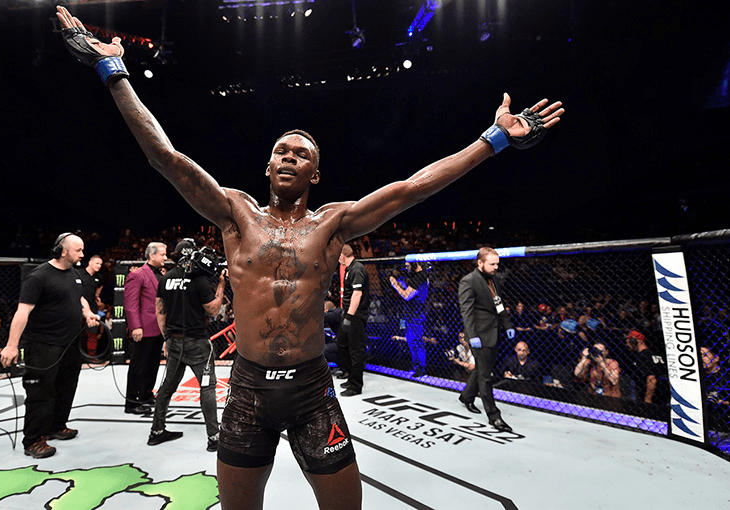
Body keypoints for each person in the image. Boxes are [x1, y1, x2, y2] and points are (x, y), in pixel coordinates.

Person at [55, 6, 563, 507]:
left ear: (314, 175)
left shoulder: (333, 224)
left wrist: (492, 140)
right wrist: (113, 70)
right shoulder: (235, 214)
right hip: (249, 387)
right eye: (281, 150)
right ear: (267, 164)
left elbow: (411, 190)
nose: (289, 157)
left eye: (301, 154)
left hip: (311, 388)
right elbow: (165, 158)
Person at [0, 232, 100, 459]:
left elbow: (80, 298)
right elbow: (23, 311)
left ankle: (56, 426)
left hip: (70, 344)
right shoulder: (39, 276)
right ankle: (34, 440)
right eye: (78, 250)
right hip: (44, 345)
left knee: (66, 386)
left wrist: (88, 313)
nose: (82, 254)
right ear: (63, 251)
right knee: (41, 392)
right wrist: (11, 345)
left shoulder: (74, 274)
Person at [148, 238, 228, 452]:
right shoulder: (200, 280)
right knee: (207, 387)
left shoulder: (165, 278)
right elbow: (212, 310)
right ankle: (214, 437)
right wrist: (221, 285)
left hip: (174, 342)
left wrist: (166, 339)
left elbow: (160, 311)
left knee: (167, 387)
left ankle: (156, 432)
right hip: (197, 344)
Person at [457, 247, 516, 432]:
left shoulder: (494, 279)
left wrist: (507, 325)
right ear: (480, 263)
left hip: (493, 331)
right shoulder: (468, 281)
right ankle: (494, 416)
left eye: (497, 264)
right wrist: (472, 336)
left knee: (484, 369)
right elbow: (466, 312)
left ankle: (466, 397)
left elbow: (499, 304)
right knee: (486, 376)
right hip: (479, 334)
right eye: (492, 264)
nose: (496, 267)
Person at [123, 241, 167, 414]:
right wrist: (135, 326)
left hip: (158, 327)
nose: (165, 257)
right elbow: (131, 304)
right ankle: (132, 402)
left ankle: (147, 395)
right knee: (139, 365)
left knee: (153, 364)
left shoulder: (161, 275)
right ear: (152, 255)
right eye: (162, 254)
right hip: (143, 327)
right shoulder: (138, 275)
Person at [337, 244, 371, 396]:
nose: (338, 260)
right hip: (349, 313)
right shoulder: (350, 269)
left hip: (356, 315)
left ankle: (356, 386)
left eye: (339, 257)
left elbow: (357, 294)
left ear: (343, 255)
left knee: (355, 350)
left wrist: (349, 317)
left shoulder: (357, 269)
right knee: (342, 344)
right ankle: (351, 377)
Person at [389, 261, 430, 377]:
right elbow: (412, 292)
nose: (407, 269)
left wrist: (395, 285)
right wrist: (402, 284)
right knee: (411, 341)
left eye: (408, 266)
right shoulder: (418, 277)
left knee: (416, 341)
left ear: (415, 265)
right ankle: (416, 366)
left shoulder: (420, 277)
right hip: (411, 314)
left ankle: (421, 368)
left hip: (416, 315)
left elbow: (407, 296)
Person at [623, 329, 667, 404]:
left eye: (628, 342)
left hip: (653, 397)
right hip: (663, 394)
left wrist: (647, 399)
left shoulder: (643, 356)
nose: (627, 345)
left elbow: (651, 379)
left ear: (634, 341)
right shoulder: (654, 353)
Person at [78, 254, 105, 355]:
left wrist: (98, 297)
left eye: (100, 264)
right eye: (97, 263)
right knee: (77, 332)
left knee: (92, 332)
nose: (99, 266)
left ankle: (91, 355)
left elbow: (98, 291)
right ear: (90, 262)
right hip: (78, 305)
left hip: (92, 306)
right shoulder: (79, 273)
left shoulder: (99, 277)